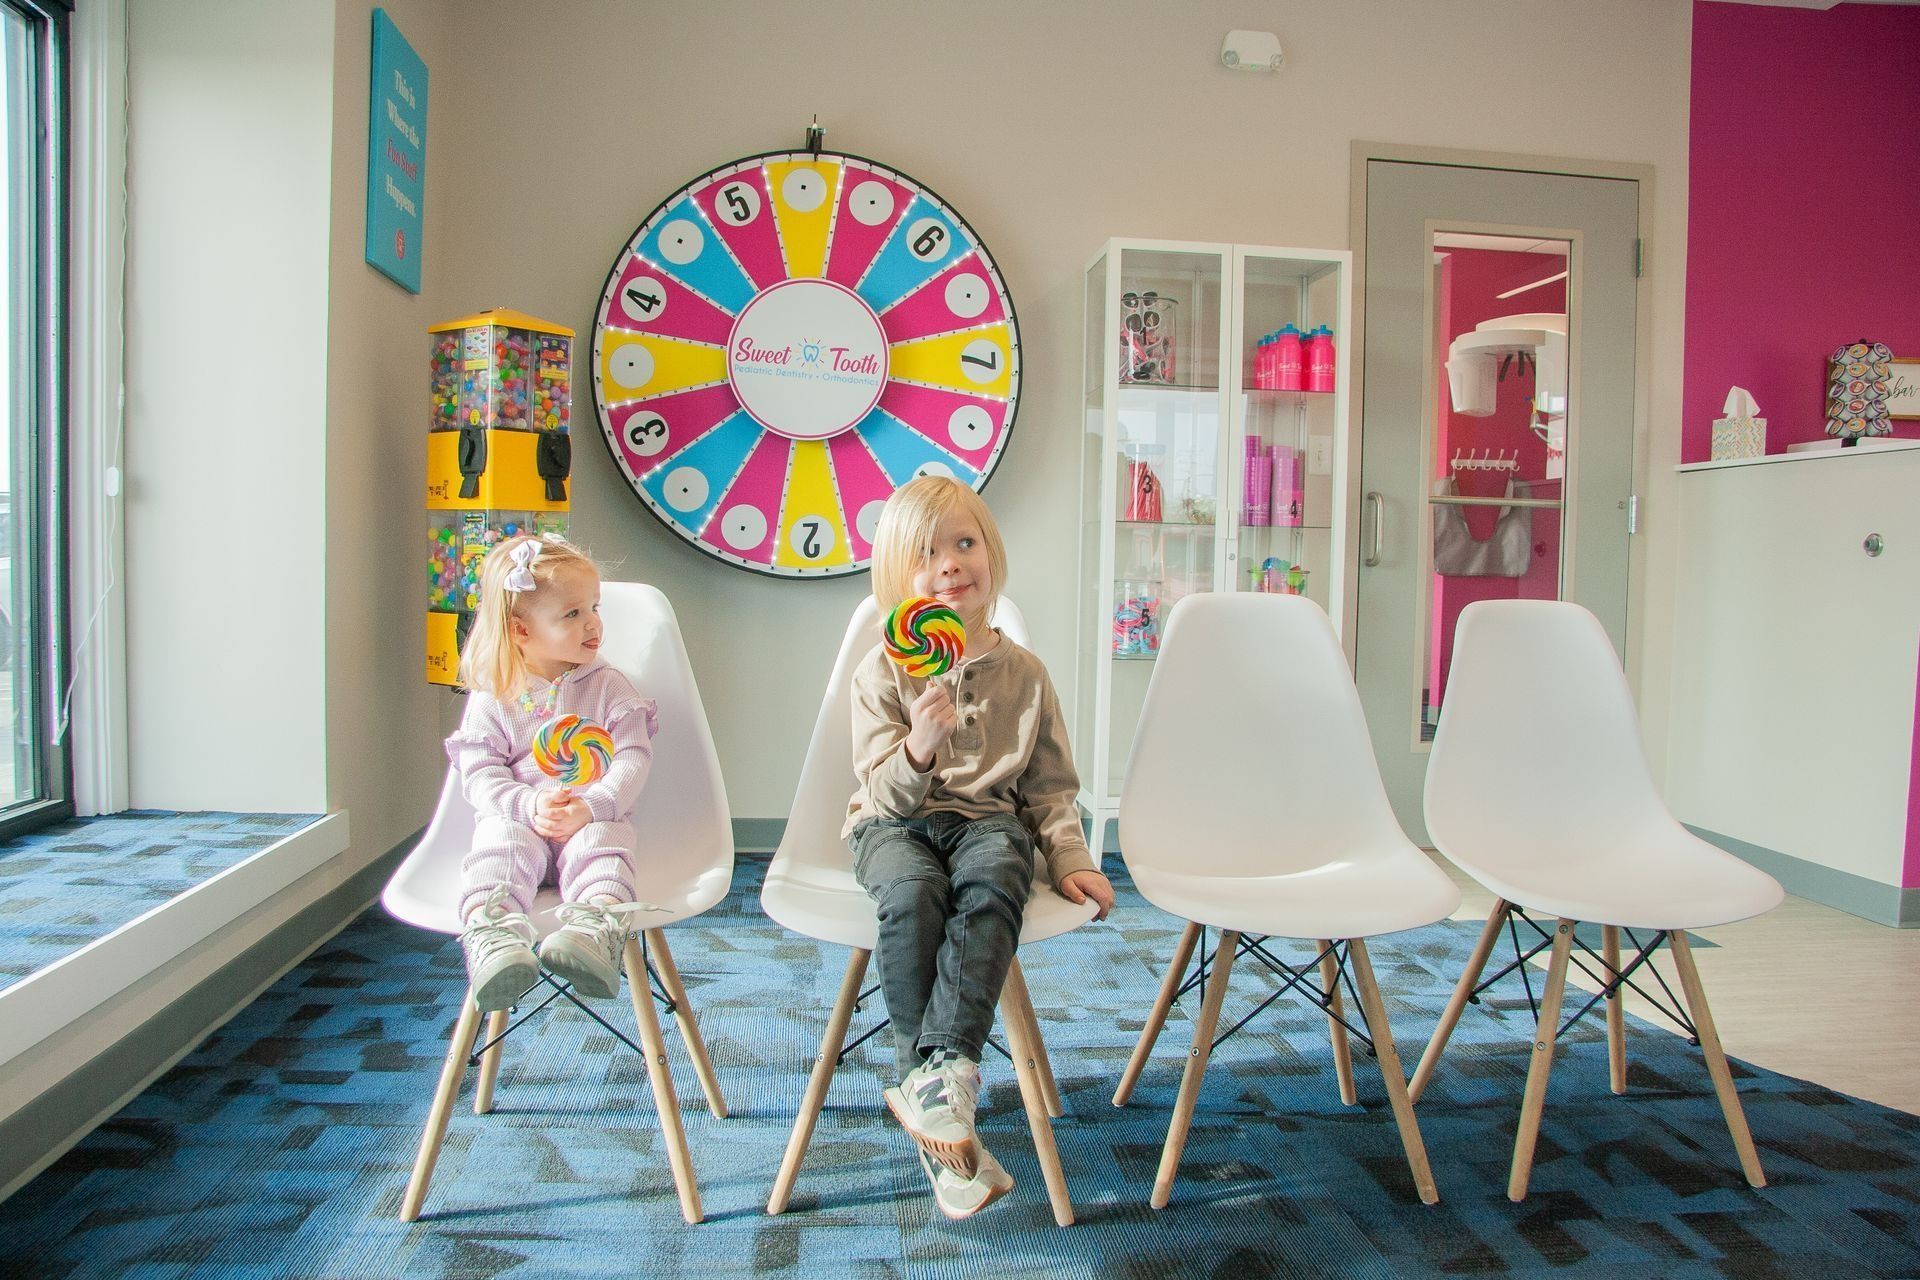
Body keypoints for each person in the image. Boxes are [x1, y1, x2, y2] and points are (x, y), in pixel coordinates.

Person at [846, 476, 1115, 1218]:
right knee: (911, 895)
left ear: (990, 554)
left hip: (986, 822)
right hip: (893, 823)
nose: (950, 564)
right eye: (926, 554)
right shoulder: (882, 671)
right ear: (897, 578)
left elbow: (1048, 791)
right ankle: (936, 1097)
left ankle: (944, 1075)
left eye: (965, 544)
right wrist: (921, 744)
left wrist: (1070, 858)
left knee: (997, 872)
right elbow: (885, 795)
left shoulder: (1025, 675)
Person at [445, 534, 657, 1012]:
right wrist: (526, 804)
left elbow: (632, 757)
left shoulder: (608, 686)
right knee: (499, 844)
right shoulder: (497, 694)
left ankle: (593, 931)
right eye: (572, 614)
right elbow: (479, 771)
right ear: (521, 631)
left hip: (587, 816)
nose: (594, 624)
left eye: (594, 608)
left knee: (605, 843)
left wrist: (593, 805)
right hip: (524, 821)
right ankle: (495, 936)